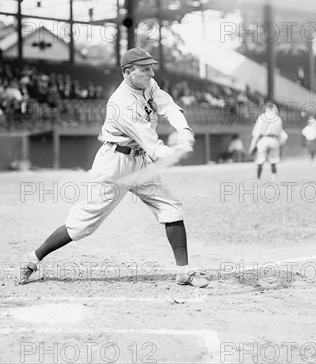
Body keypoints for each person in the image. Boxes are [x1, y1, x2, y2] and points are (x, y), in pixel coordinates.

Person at [18, 48, 208, 288]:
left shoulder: (148, 84)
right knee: (81, 225)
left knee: (172, 208)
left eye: (151, 67)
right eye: (145, 68)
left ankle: (183, 272)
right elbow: (151, 143)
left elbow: (168, 105)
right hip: (115, 165)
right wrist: (175, 152)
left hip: (140, 163)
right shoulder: (121, 104)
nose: (151, 72)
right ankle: (33, 259)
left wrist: (185, 130)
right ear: (128, 72)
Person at [248, 103, 285, 181]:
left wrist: (253, 145)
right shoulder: (278, 118)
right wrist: (281, 144)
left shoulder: (262, 117)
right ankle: (273, 179)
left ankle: (258, 179)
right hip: (274, 140)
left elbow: (256, 132)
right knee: (273, 161)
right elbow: (281, 133)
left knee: (260, 160)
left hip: (263, 139)